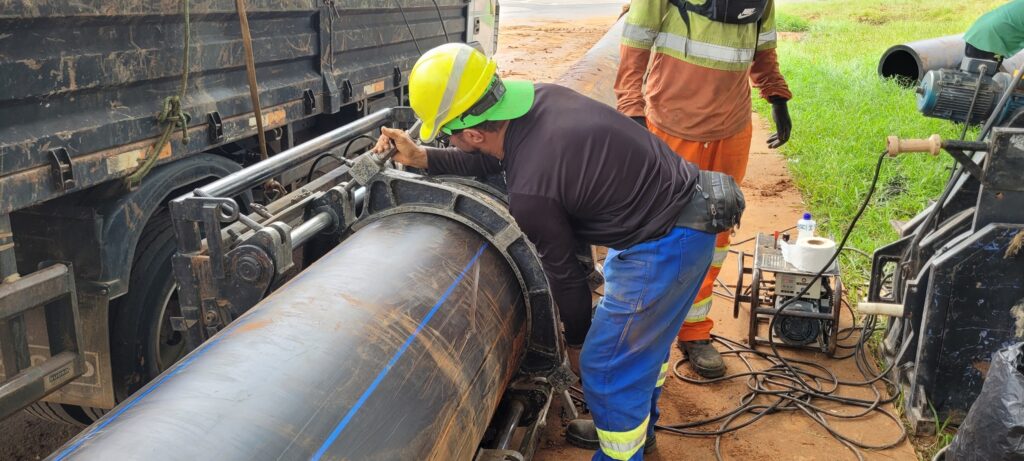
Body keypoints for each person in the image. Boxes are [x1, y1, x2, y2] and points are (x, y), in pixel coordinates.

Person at [373, 43, 740, 461]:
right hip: (679, 221)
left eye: (452, 135)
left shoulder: (532, 193)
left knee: (606, 366)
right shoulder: (540, 101)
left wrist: (579, 345)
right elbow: (498, 161)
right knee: (639, 354)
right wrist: (423, 157)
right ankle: (636, 432)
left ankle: (621, 449)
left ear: (474, 133)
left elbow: (565, 274)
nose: (453, 142)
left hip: (664, 246)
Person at [615, 0, 792, 378]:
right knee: (658, 233)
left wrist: (776, 96)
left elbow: (763, 49)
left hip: (731, 131)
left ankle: (694, 330)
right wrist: (631, 109)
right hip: (671, 129)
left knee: (716, 235)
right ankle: (643, 330)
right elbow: (635, 44)